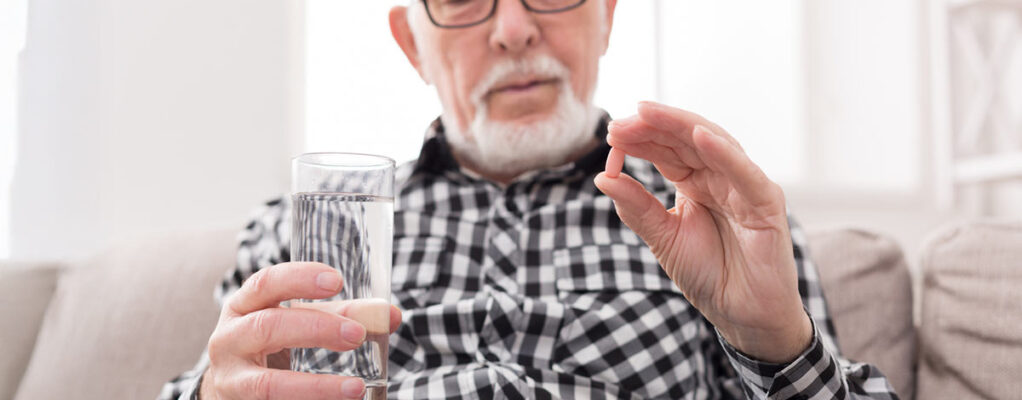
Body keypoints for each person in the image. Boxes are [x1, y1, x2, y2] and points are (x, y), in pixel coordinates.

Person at [160, 0, 900, 399]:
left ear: (607, 13)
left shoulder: (717, 219)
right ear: (412, 44)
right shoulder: (318, 228)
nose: (514, 30)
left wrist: (778, 343)